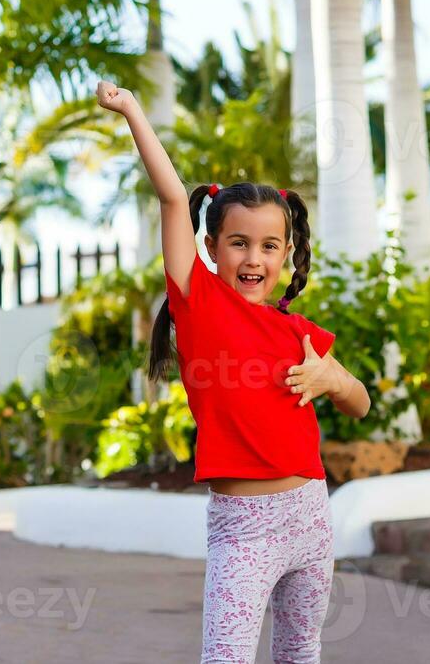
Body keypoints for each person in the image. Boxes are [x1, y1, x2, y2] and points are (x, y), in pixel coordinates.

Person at [95, 79, 372, 664]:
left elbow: (360, 402)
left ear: (286, 253)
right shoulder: (199, 303)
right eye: (239, 243)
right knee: (226, 657)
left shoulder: (299, 333)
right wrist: (131, 110)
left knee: (301, 652)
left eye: (270, 246)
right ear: (213, 248)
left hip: (309, 514)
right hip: (244, 526)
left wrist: (335, 382)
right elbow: (172, 198)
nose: (254, 258)